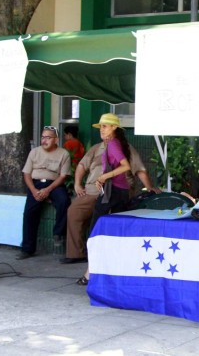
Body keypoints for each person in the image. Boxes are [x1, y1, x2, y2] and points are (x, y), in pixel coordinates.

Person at [61, 142, 160, 264]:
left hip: (115, 191)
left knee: (112, 215)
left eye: (107, 128)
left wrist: (150, 188)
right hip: (92, 191)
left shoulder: (126, 148)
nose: (104, 132)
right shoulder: (96, 148)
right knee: (74, 211)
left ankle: (109, 254)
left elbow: (140, 169)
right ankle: (76, 253)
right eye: (102, 128)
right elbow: (82, 165)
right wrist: (77, 184)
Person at [76, 113, 132, 285]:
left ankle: (90, 273)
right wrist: (103, 178)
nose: (102, 129)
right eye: (101, 126)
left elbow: (125, 166)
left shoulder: (113, 144)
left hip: (114, 193)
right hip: (117, 191)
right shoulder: (113, 144)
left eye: (105, 126)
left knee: (95, 232)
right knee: (113, 232)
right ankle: (101, 272)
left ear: (114, 128)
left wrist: (104, 176)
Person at [17, 126, 72, 260]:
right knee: (30, 212)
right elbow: (27, 174)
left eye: (48, 137)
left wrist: (48, 190)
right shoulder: (34, 152)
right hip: (35, 184)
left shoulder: (63, 153)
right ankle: (27, 249)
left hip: (54, 184)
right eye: (43, 137)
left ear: (56, 140)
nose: (44, 140)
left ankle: (58, 233)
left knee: (64, 201)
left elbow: (63, 176)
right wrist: (34, 191)